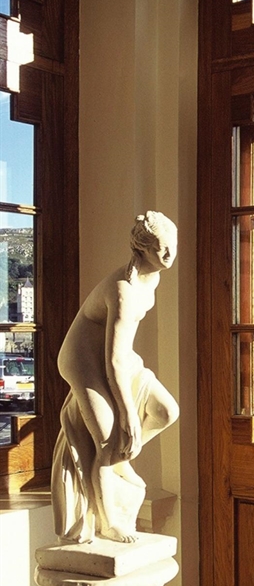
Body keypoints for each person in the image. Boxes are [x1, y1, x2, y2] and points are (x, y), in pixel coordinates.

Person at [52, 211, 180, 543]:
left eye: (173, 246)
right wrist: (127, 416)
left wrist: (133, 432)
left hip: (116, 356)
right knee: (107, 442)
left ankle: (124, 454)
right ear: (142, 250)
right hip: (82, 359)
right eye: (162, 249)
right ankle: (109, 521)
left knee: (167, 412)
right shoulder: (125, 290)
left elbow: (120, 355)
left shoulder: (153, 276)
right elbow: (113, 361)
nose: (170, 255)